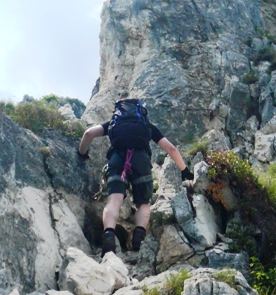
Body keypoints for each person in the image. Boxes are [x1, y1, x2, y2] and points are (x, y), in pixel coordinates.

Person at [77, 100, 193, 257]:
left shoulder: (113, 123)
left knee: (114, 201)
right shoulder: (146, 126)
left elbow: (88, 134)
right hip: (140, 161)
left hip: (117, 159)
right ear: (141, 111)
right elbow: (170, 148)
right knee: (143, 204)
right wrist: (184, 169)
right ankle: (138, 241)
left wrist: (82, 153)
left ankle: (109, 240)